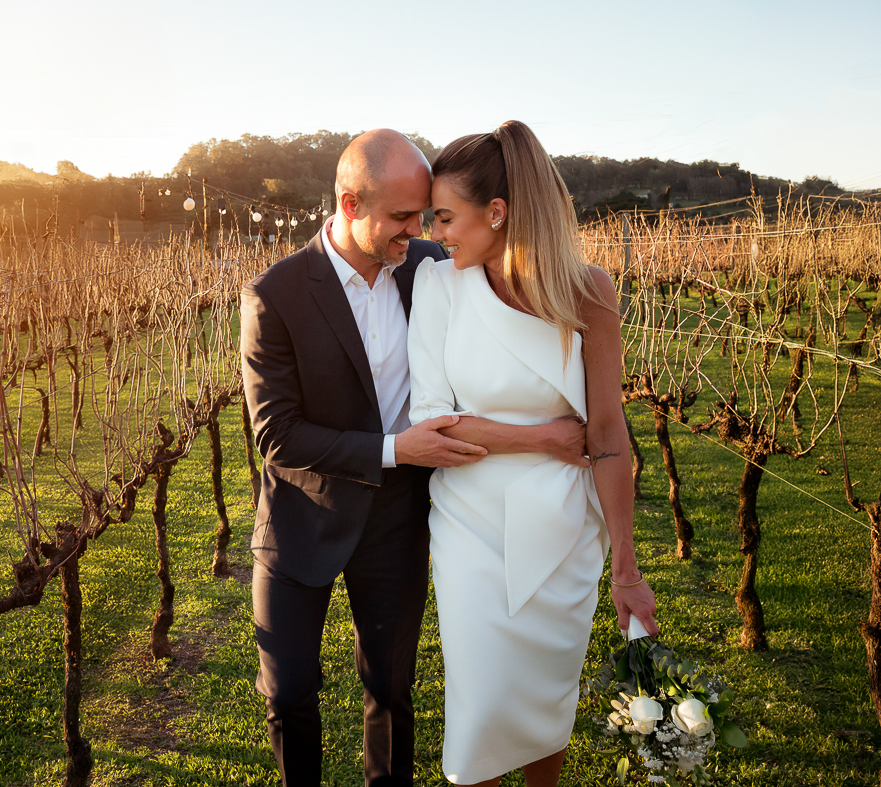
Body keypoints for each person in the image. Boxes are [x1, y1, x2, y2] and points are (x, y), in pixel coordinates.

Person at [240, 128, 590, 787]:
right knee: (287, 693)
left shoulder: (435, 269)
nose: (419, 229)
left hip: (397, 521)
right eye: (403, 216)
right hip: (301, 520)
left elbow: (511, 274)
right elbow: (278, 434)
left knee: (391, 693)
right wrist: (397, 447)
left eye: (426, 214)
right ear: (349, 204)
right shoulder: (274, 294)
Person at [406, 120, 660, 787]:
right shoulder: (438, 288)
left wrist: (627, 569)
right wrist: (541, 437)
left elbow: (607, 431)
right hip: (471, 524)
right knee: (481, 710)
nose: (437, 232)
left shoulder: (589, 292)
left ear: (497, 212)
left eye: (447, 216)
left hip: (564, 531)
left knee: (548, 704)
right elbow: (432, 423)